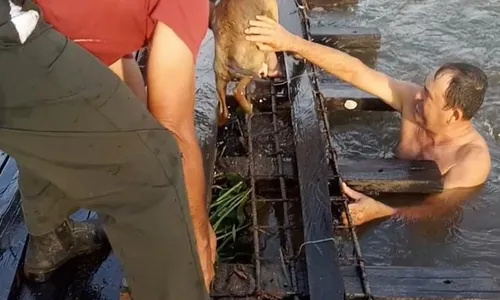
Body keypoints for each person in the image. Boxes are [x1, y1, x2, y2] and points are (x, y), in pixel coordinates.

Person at [1, 0, 214, 299]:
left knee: (52, 111)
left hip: (28, 33)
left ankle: (51, 239)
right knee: (155, 175)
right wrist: (197, 237)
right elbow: (173, 128)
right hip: (9, 32)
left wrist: (134, 135)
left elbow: (116, 82)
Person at [244, 15, 491, 225]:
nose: (418, 94)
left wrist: (384, 212)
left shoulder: (471, 162)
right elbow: (357, 71)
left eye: (428, 95)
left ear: (454, 115)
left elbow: (435, 211)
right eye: (423, 87)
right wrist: (291, 42)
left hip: (403, 211)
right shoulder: (411, 101)